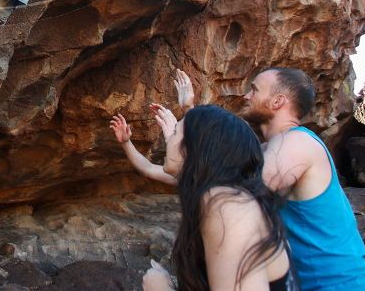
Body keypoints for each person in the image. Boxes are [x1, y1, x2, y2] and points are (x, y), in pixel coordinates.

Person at [112, 68, 365, 291]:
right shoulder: (265, 152)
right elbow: (205, 173)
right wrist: (183, 123)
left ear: (278, 101)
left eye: (254, 89)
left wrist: (190, 120)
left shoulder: (298, 144)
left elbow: (231, 185)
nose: (246, 95)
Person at [111, 105, 297, 290]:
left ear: (195, 147)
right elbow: (148, 168)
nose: (168, 139)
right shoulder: (229, 196)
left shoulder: (229, 208)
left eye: (174, 133)